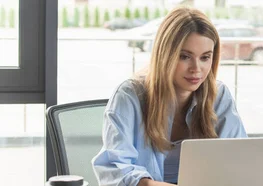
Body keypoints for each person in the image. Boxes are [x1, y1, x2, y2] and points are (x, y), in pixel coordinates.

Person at [92, 7, 247, 186]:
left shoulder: (219, 96)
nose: (196, 68)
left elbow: (239, 160)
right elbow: (117, 171)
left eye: (205, 58)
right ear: (165, 55)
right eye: (184, 56)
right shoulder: (129, 95)